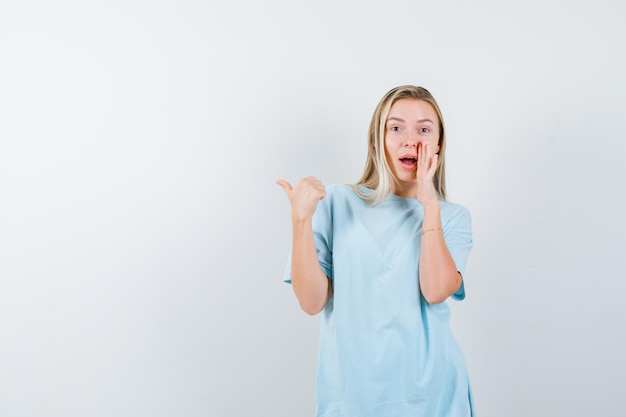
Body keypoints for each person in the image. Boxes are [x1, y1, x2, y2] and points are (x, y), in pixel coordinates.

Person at [277, 85, 474, 417]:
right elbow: (311, 302)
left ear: (438, 145)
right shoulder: (337, 202)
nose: (410, 140)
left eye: (424, 129)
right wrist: (300, 221)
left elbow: (436, 289)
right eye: (396, 128)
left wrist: (428, 202)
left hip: (434, 398)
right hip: (352, 399)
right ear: (377, 140)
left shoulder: (453, 217)